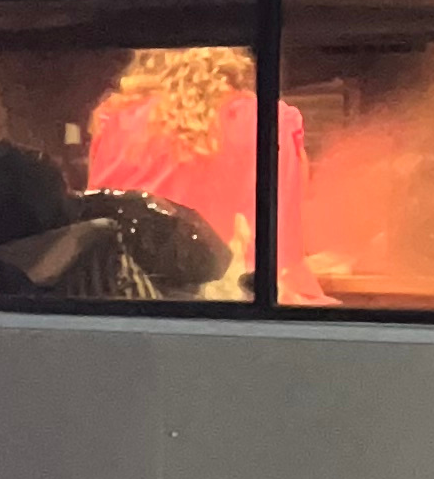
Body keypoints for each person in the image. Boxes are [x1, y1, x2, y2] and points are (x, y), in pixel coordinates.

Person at [86, 45, 312, 298]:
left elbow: (94, 227)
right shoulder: (267, 119)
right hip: (225, 305)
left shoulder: (115, 120)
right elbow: (279, 249)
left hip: (124, 302)